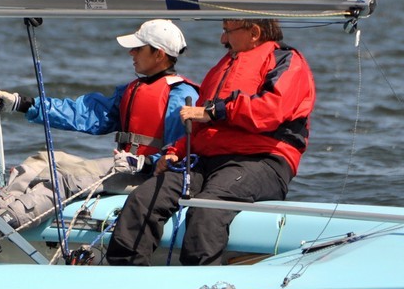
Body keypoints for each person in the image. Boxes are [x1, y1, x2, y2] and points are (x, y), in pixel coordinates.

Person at [0, 19, 199, 250]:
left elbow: (183, 152)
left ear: (159, 54)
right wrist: (24, 104)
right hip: (123, 168)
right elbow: (84, 114)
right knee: (40, 160)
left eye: (138, 48)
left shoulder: (182, 96)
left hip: (146, 178)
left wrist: (145, 162)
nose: (131, 52)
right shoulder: (133, 90)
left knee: (66, 179)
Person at [104, 17, 315, 266]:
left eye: (228, 31)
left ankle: (200, 287)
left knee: (206, 210)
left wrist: (216, 111)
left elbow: (271, 111)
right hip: (206, 161)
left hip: (261, 161)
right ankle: (124, 274)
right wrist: (175, 151)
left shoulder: (286, 61)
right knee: (144, 198)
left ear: (254, 32)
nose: (222, 39)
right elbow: (201, 125)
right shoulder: (222, 67)